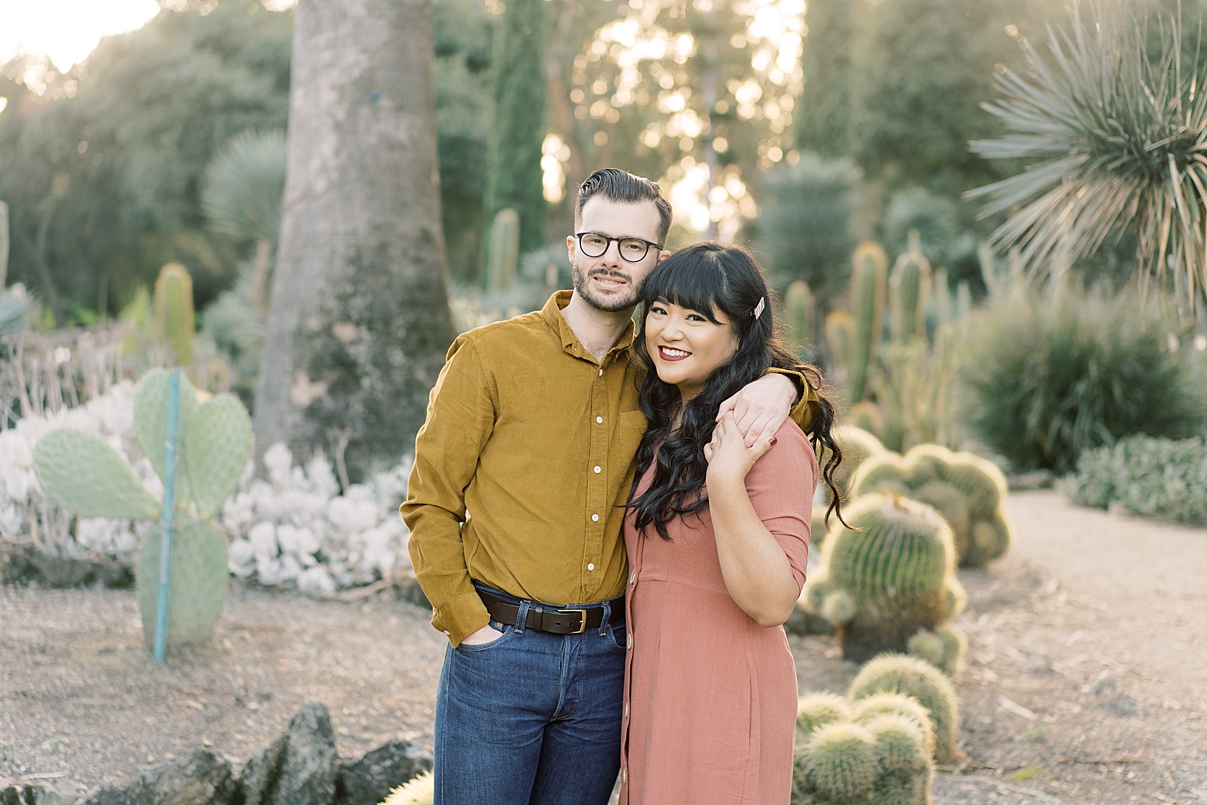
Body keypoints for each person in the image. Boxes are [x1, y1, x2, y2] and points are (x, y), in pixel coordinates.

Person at [401, 168, 818, 805]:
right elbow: (429, 503)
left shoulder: (661, 369)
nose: (611, 259)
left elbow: (754, 399)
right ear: (572, 246)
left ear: (658, 259)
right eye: (596, 240)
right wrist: (468, 626)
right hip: (499, 655)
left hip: (606, 663)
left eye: (633, 247)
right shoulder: (489, 357)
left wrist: (785, 384)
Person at [619, 243, 844, 805]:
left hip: (722, 705)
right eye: (661, 310)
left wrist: (723, 482)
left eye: (697, 317)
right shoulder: (665, 418)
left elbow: (773, 602)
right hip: (655, 700)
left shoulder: (765, 436)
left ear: (742, 335)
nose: (669, 330)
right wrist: (791, 379)